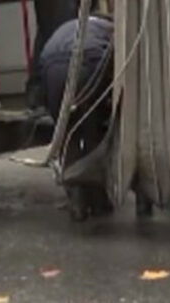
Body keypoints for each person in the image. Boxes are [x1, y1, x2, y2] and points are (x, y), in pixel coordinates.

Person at [36, 13, 115, 220]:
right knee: (93, 134)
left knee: (67, 136)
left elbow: (40, 69)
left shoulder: (69, 24)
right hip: (86, 63)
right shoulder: (110, 29)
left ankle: (77, 203)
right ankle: (99, 201)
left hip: (52, 69)